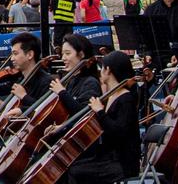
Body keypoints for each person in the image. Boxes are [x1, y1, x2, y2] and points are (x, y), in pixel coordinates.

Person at [45, 50, 140, 182]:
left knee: (75, 171)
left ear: (108, 70)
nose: (100, 72)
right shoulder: (111, 95)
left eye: (102, 68)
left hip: (122, 162)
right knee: (72, 164)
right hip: (109, 157)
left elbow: (119, 132)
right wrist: (62, 127)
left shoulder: (125, 99)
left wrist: (100, 112)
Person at [0, 31, 50, 117]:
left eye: (15, 54)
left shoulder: (46, 81)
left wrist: (24, 96)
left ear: (30, 54)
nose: (12, 59)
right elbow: (7, 107)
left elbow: (46, 109)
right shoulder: (19, 79)